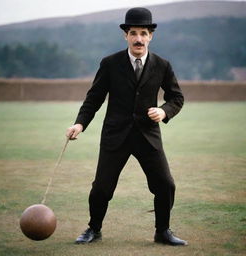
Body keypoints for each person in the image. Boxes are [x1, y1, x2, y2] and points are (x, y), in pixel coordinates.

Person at [66, 7, 187, 246]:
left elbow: (176, 98)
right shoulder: (110, 63)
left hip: (147, 135)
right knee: (101, 188)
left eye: (143, 33)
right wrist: (80, 124)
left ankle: (162, 231)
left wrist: (163, 111)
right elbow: (94, 98)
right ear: (126, 36)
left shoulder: (163, 65)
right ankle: (94, 229)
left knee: (165, 184)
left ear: (151, 35)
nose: (138, 38)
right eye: (133, 33)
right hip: (115, 135)